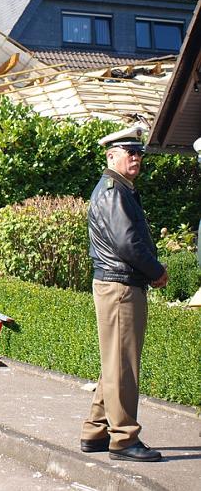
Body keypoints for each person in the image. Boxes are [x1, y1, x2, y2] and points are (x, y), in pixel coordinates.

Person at [80, 126, 169, 462]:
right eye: (128, 152)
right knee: (123, 366)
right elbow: (127, 244)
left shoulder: (118, 189)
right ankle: (123, 439)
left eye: (138, 152)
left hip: (118, 283)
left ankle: (95, 431)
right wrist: (156, 271)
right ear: (111, 156)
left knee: (115, 363)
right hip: (120, 285)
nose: (135, 157)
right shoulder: (115, 191)